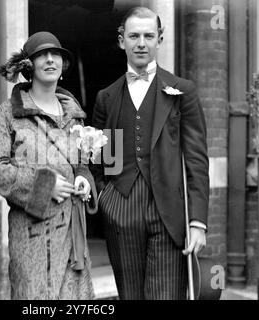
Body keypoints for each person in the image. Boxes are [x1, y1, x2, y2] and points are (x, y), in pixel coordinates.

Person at [91, 7, 209, 300]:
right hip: (122, 209)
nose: (141, 43)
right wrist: (108, 199)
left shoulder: (183, 91)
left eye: (148, 35)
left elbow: (196, 159)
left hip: (169, 213)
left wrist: (197, 222)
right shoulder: (107, 97)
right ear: (122, 41)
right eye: (134, 36)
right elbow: (105, 159)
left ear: (160, 39)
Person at [0, 31, 98, 300]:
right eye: (41, 55)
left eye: (55, 54)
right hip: (33, 237)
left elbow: (81, 163)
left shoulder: (74, 115)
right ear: (28, 66)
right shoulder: (8, 113)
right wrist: (44, 186)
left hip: (73, 236)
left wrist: (83, 179)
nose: (49, 59)